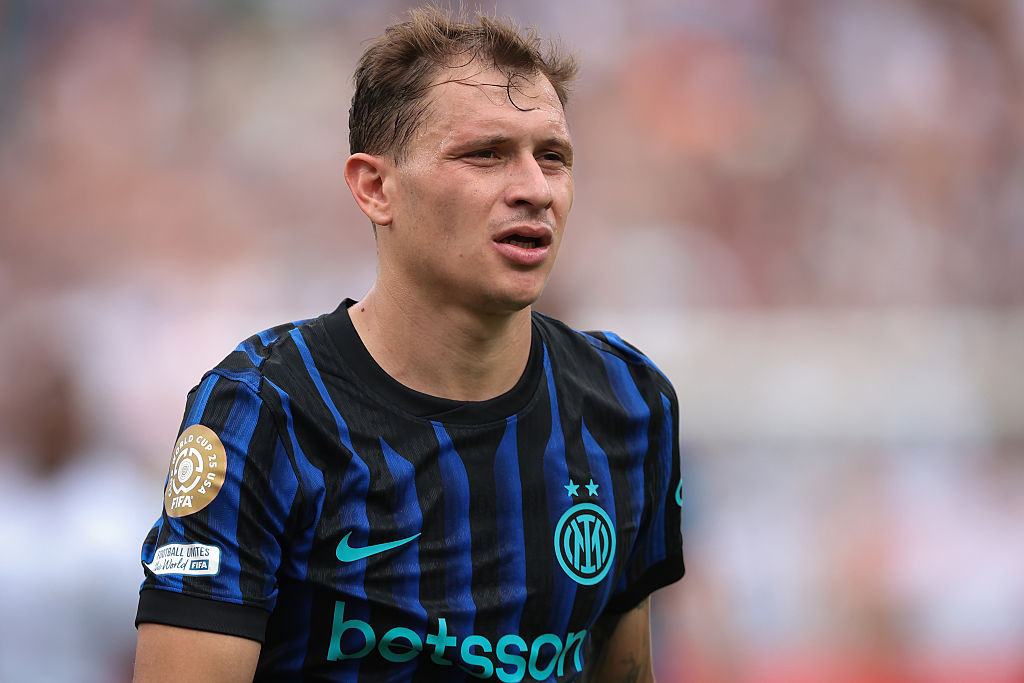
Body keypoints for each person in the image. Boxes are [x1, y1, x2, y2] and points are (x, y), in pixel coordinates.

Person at [133, 7, 684, 682]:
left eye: (553, 157)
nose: (535, 189)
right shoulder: (264, 411)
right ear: (375, 188)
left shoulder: (627, 400)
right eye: (485, 154)